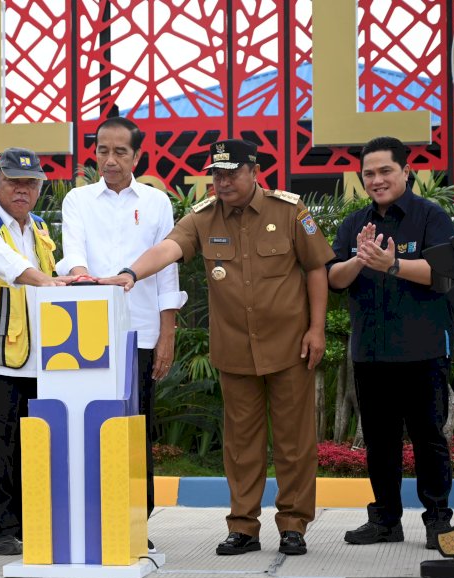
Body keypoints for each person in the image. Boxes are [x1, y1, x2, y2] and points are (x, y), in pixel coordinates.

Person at [101, 139, 335, 556]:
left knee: (294, 441)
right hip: (235, 350)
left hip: (290, 346)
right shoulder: (203, 218)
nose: (223, 182)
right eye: (217, 174)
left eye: (231, 173)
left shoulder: (289, 211)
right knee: (241, 444)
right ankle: (243, 526)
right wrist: (130, 273)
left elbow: (316, 269)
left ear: (254, 171)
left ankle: (293, 525)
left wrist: (317, 329)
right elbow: (169, 248)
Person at [56, 117, 187, 552]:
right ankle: (91, 518)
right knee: (89, 427)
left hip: (140, 333)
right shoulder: (77, 199)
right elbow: (71, 253)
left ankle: (135, 521)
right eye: (102, 151)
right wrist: (82, 278)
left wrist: (167, 332)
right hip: (83, 333)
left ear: (136, 156)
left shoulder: (155, 202)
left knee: (134, 429)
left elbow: (168, 270)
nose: (109, 161)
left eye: (120, 153)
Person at [327, 136, 454, 550]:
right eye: (369, 173)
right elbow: (334, 279)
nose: (377, 180)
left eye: (385, 171)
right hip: (371, 352)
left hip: (423, 350)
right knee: (379, 442)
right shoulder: (354, 224)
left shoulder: (430, 217)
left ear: (405, 171)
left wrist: (393, 264)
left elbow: (442, 275)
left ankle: (438, 519)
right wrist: (359, 259)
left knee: (428, 438)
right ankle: (385, 519)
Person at [0, 147, 71, 556]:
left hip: (37, 355)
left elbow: (54, 271)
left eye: (31, 183)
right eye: (14, 181)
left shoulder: (39, 227)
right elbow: (14, 268)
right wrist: (50, 282)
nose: (23, 190)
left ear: (40, 187)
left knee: (29, 445)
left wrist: (77, 281)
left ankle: (25, 521)